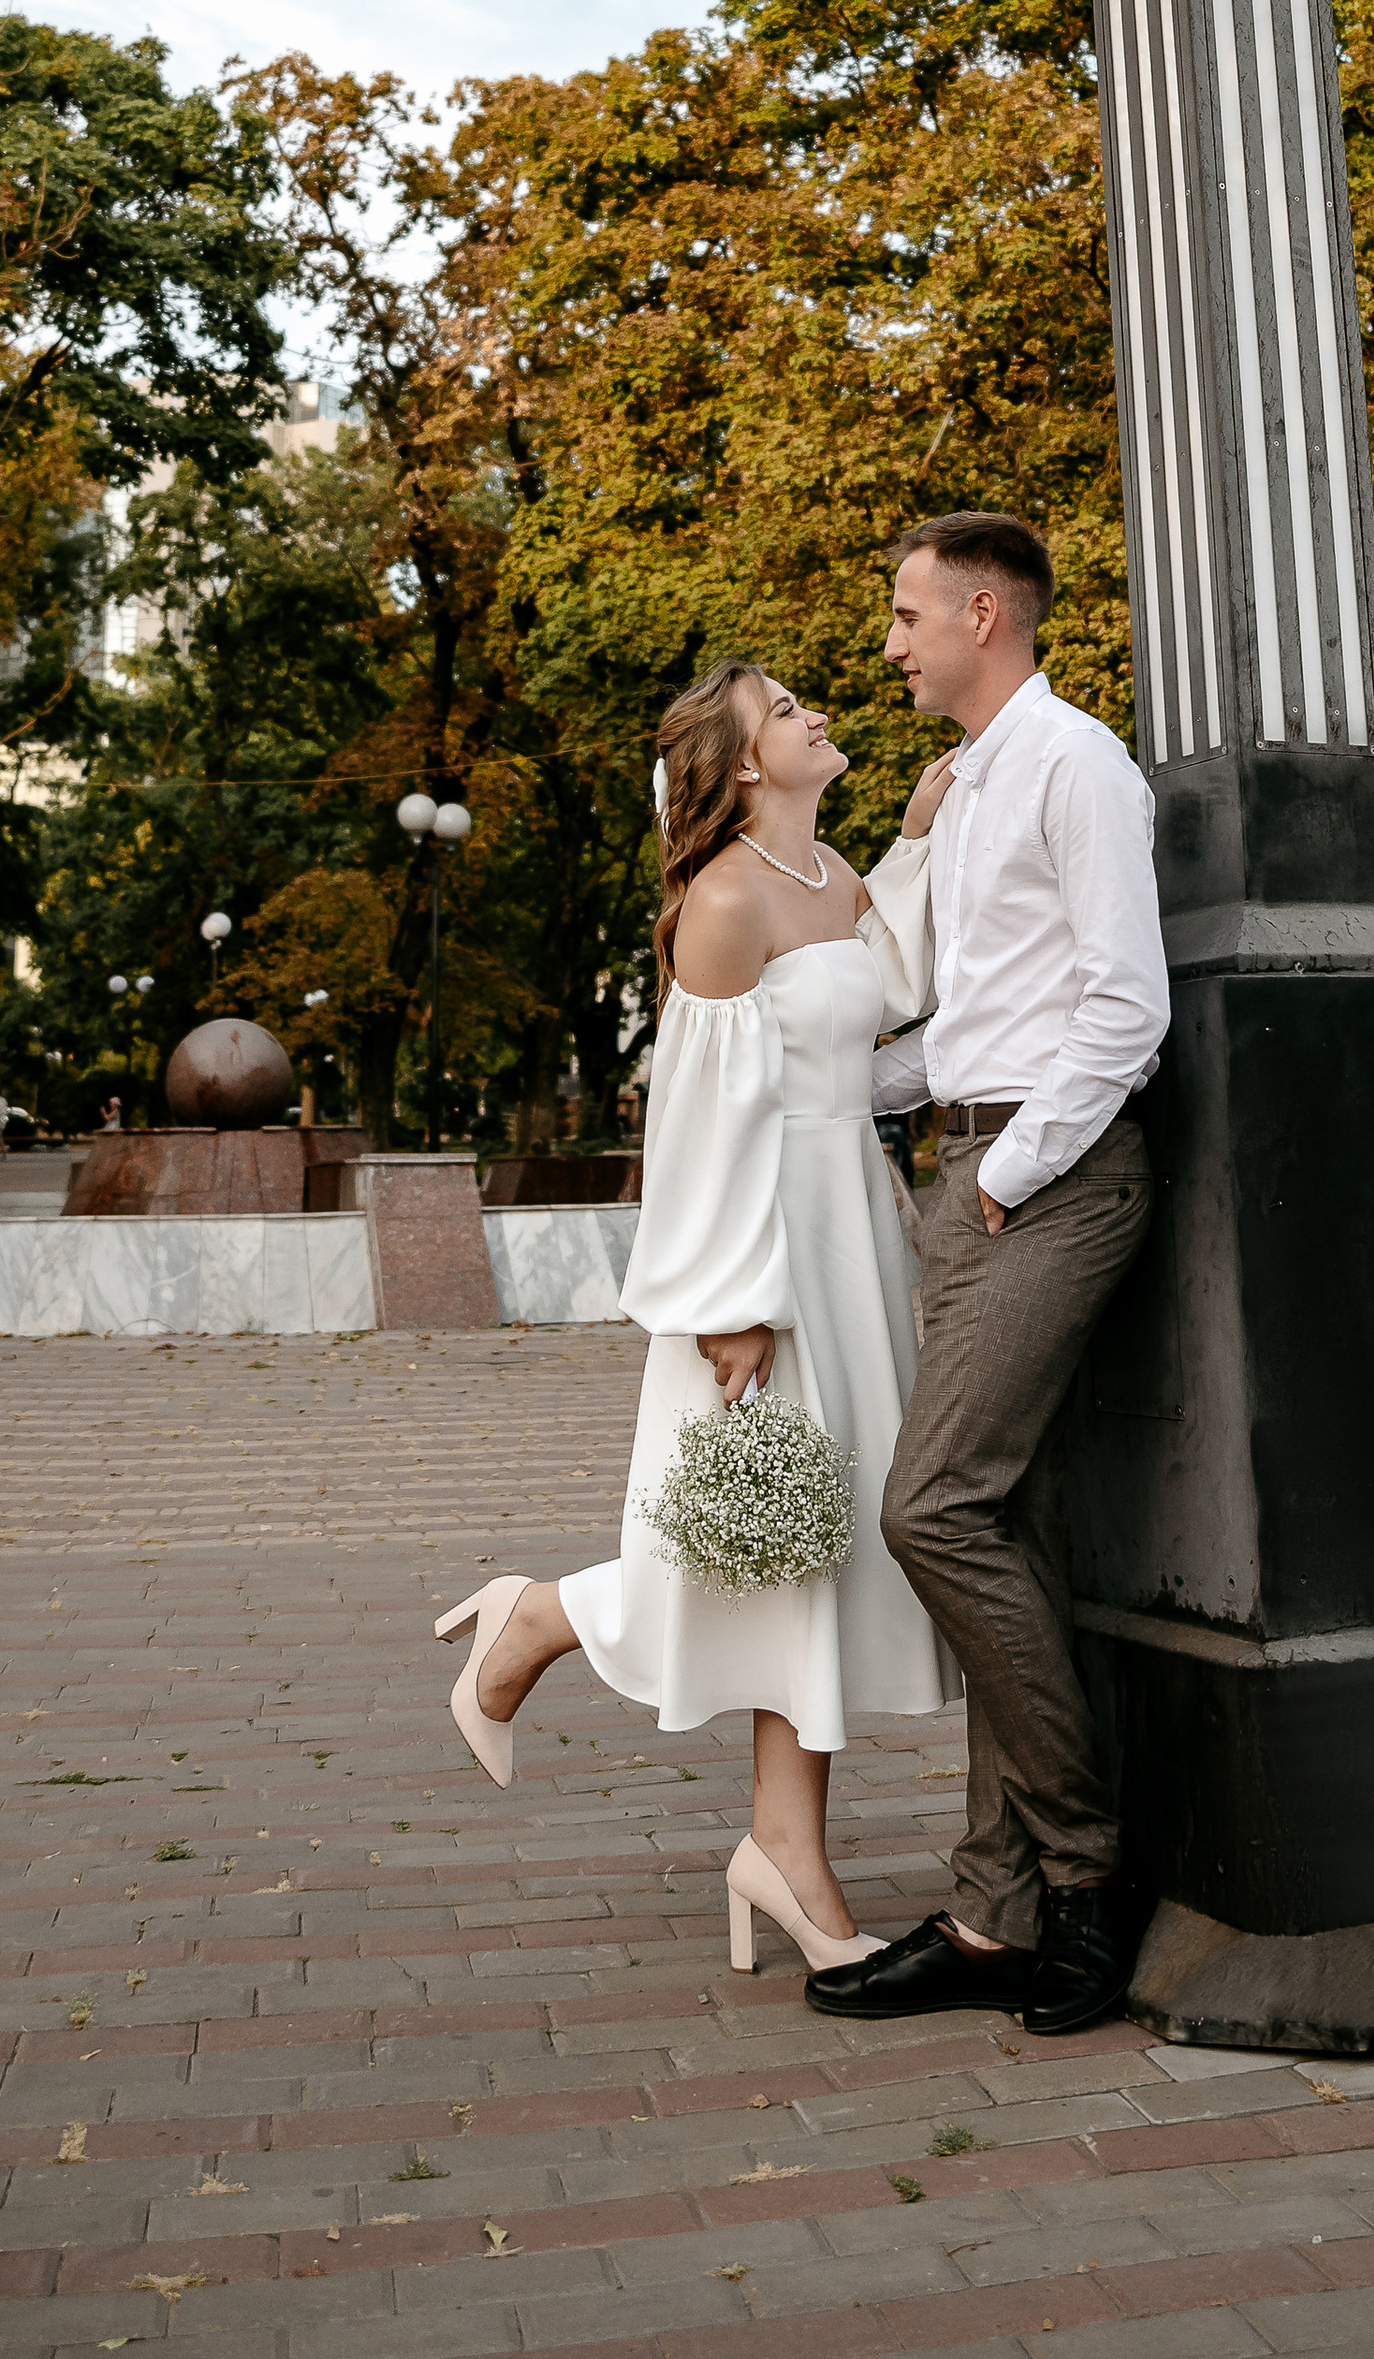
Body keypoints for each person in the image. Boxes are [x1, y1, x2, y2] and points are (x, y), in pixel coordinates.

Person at [434, 661, 956, 1975]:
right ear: (735, 767)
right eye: (786, 711)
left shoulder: (830, 872)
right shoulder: (722, 903)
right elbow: (703, 1123)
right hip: (765, 1256)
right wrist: (732, 1302)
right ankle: (543, 1617)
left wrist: (912, 845)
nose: (816, 714)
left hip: (853, 1233)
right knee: (764, 1543)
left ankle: (781, 1843)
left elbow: (881, 1003)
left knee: (813, 1556)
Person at [804, 510, 1168, 2043]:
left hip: (1054, 1177)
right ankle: (987, 1910)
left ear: (982, 611)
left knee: (929, 1505)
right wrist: (828, 1078)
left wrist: (1013, 1175)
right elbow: (965, 1023)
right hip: (964, 1171)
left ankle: (1088, 1877)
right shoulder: (958, 794)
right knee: (994, 1522)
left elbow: (1123, 1002)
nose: (889, 644)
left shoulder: (1079, 762)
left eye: (904, 615)